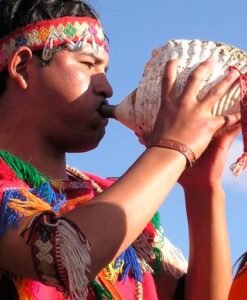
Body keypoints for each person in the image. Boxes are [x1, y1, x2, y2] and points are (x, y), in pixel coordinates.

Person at [0, 0, 241, 299]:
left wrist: (203, 188)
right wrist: (173, 148)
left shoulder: (105, 196)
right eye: (88, 64)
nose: (107, 88)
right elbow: (63, 254)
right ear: (22, 66)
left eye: (105, 70)